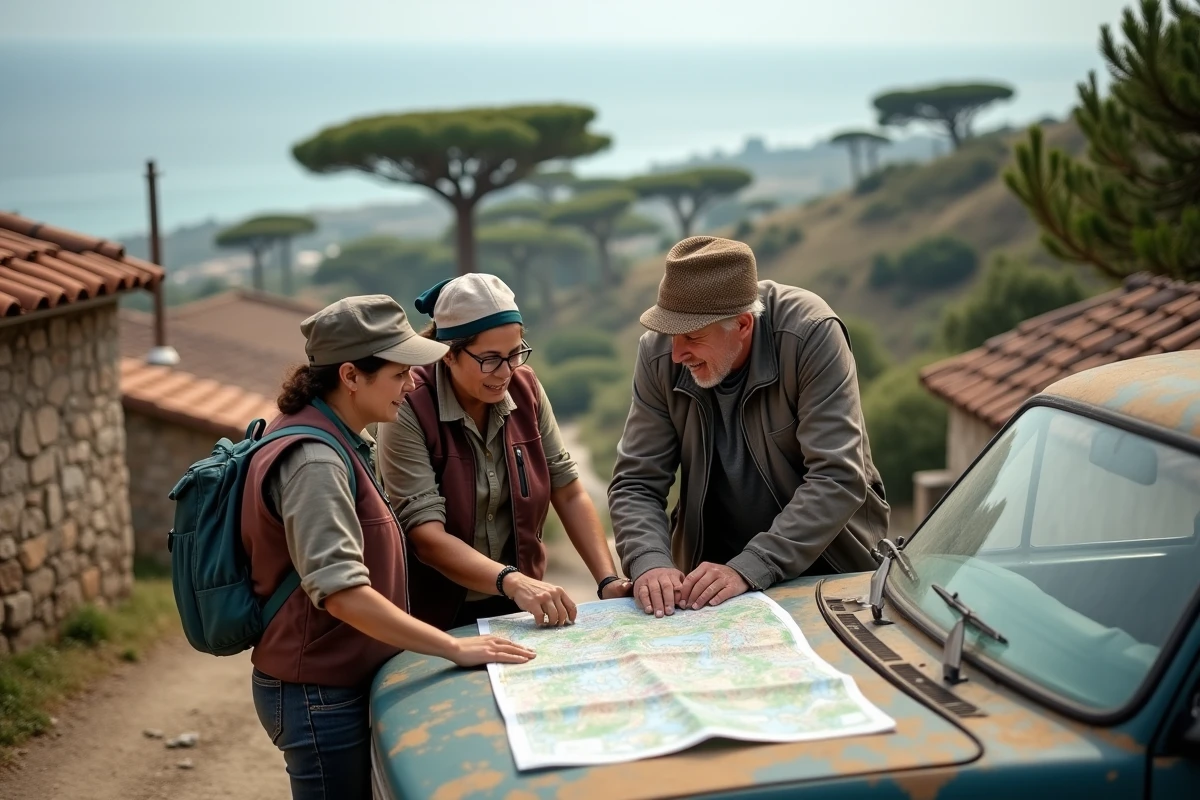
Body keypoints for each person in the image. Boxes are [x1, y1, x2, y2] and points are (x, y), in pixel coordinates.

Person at [242, 295, 535, 800]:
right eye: (399, 374)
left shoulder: (339, 440)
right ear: (352, 376)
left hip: (335, 684)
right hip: (320, 692)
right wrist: (452, 647)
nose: (411, 385)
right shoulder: (315, 461)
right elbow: (341, 591)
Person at [608, 236, 890, 618]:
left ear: (742, 324)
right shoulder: (658, 353)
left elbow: (837, 476)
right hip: (711, 589)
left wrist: (752, 565)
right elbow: (636, 483)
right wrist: (650, 560)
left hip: (830, 574)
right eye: (671, 333)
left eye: (692, 336)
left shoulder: (810, 333)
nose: (676, 353)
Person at [377, 273, 632, 631]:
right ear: (447, 354)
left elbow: (568, 489)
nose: (507, 371)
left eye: (515, 354)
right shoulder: (409, 404)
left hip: (520, 606)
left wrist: (608, 581)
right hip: (434, 616)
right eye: (491, 359)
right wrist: (513, 581)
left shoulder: (526, 387)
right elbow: (426, 535)